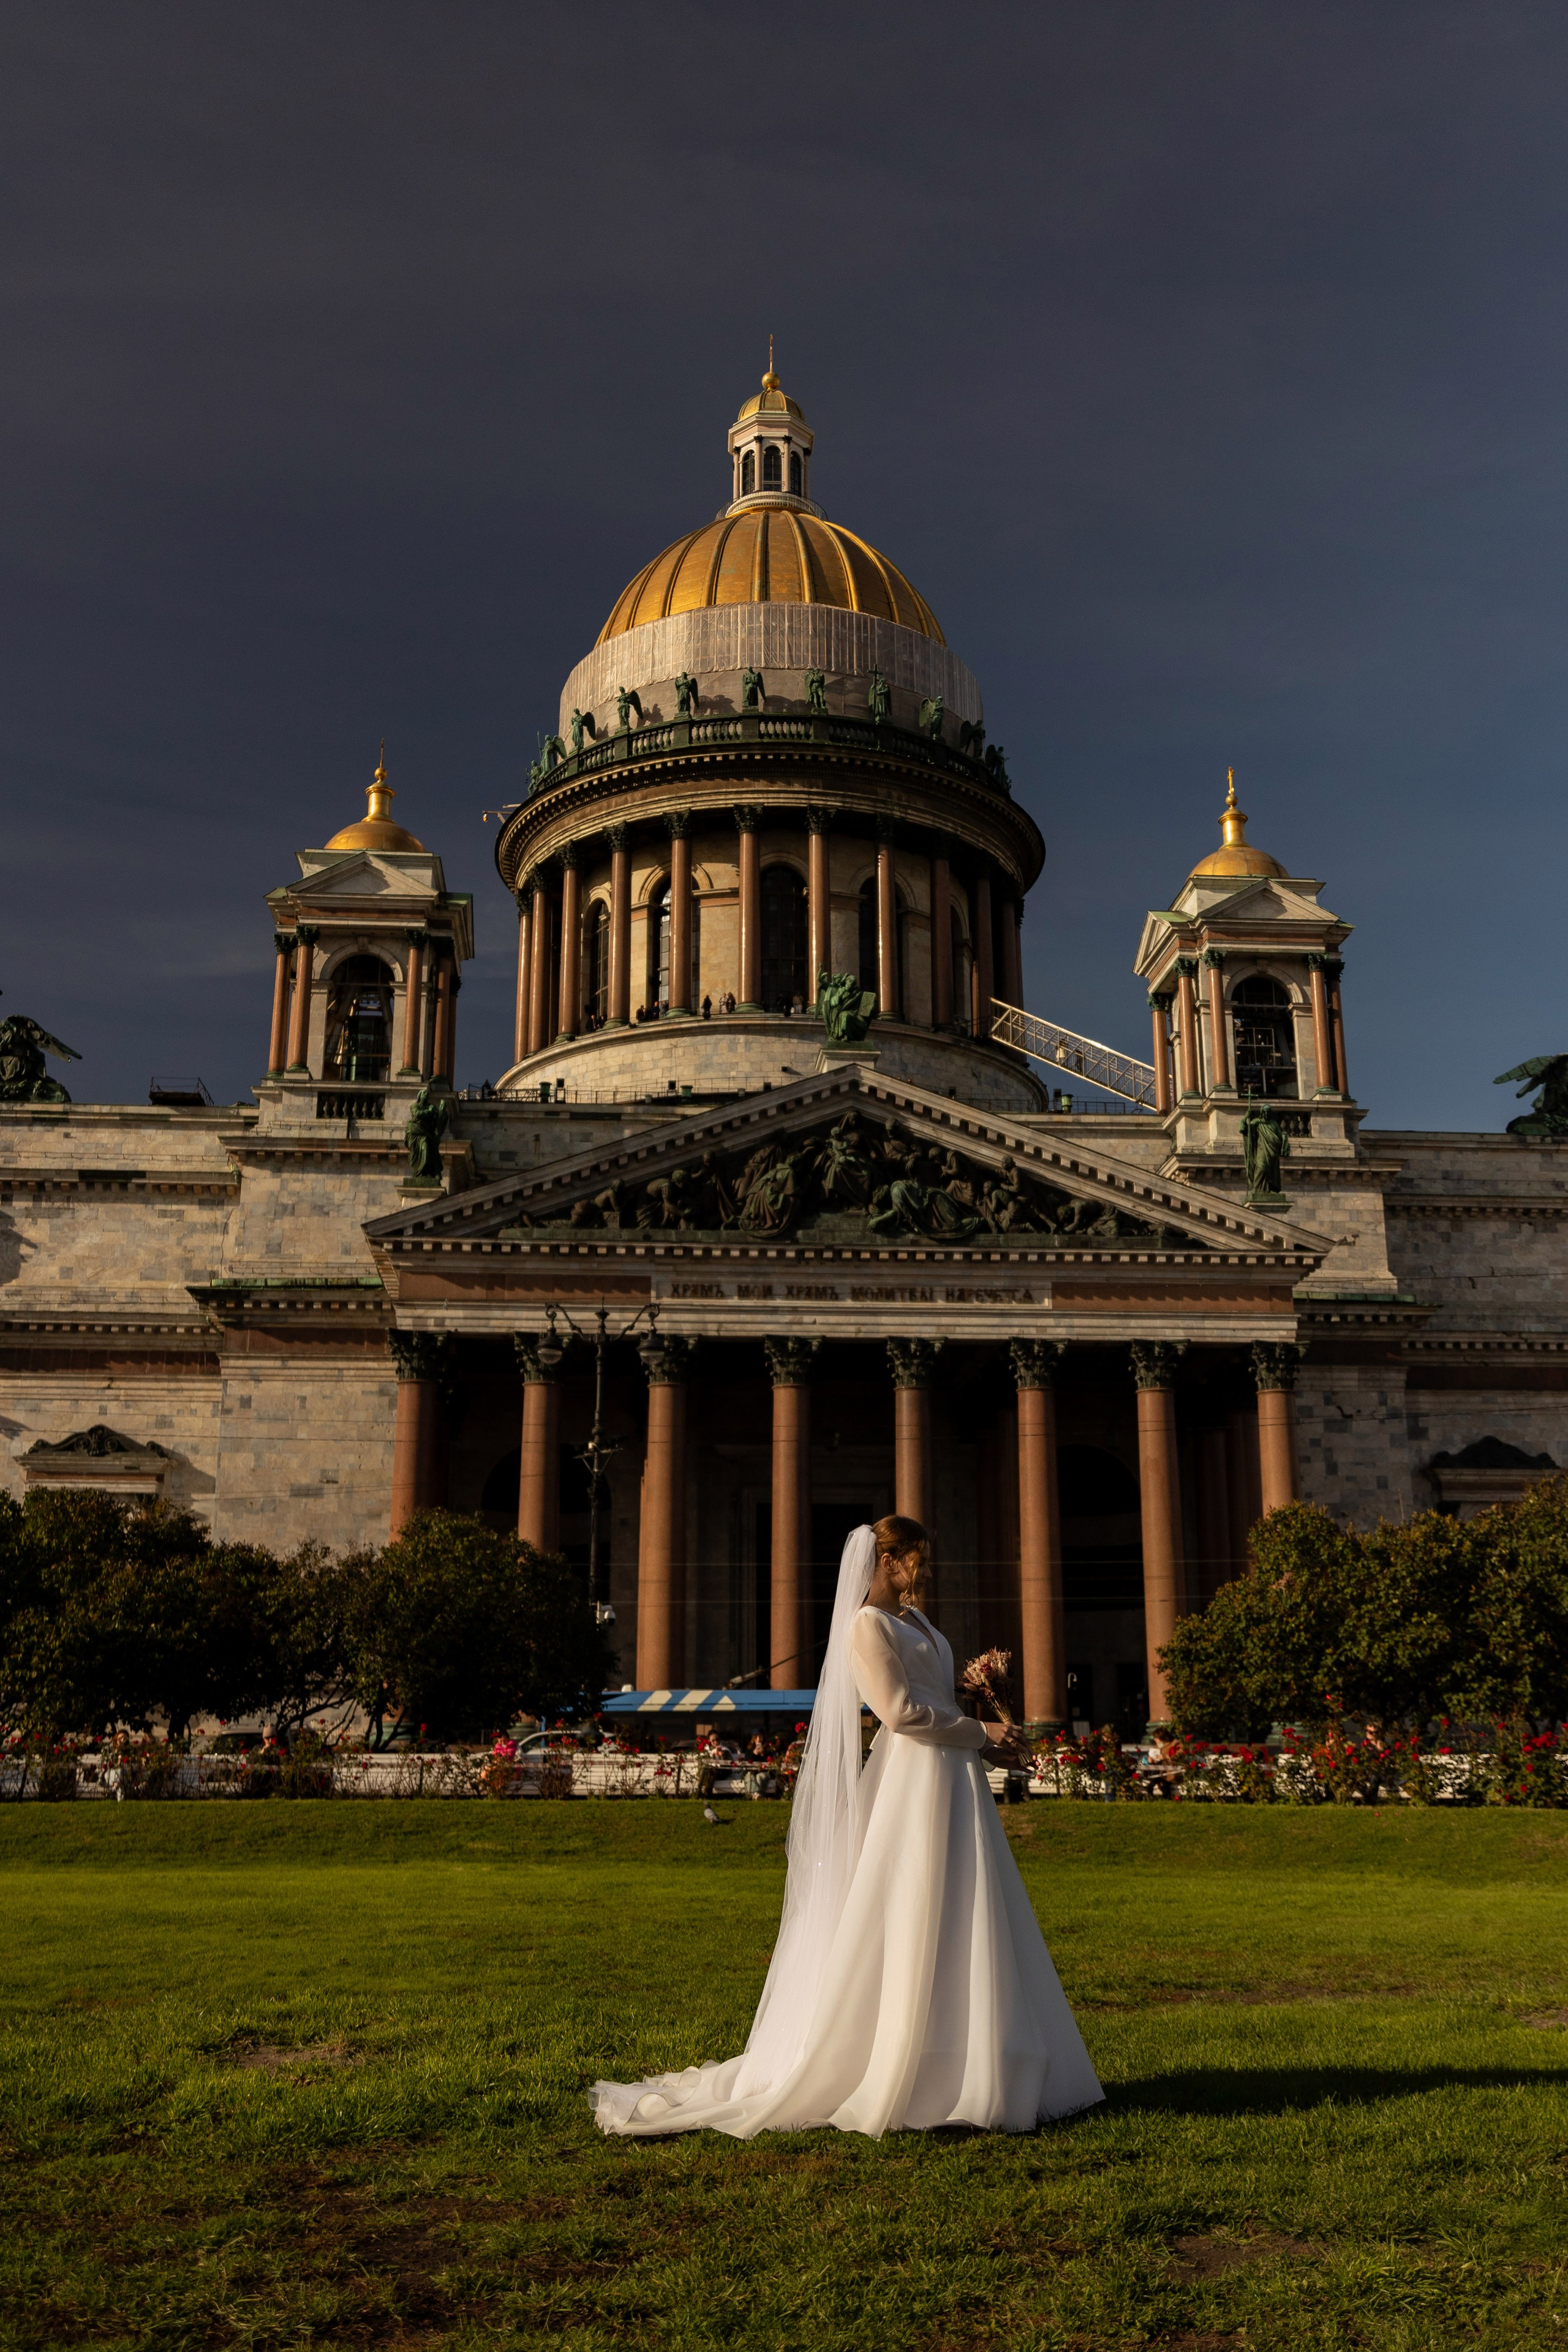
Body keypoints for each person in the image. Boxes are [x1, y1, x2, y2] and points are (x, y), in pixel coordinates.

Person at [591, 1515, 1102, 2139]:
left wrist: (992, 1748)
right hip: (910, 1782)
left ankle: (975, 2060)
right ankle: (905, 2064)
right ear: (887, 1561)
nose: (926, 1569)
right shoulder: (866, 1624)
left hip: (950, 1781)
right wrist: (980, 1732)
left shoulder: (917, 1623)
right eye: (917, 1558)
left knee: (965, 1907)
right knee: (912, 1907)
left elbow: (936, 1706)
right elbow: (898, 1711)